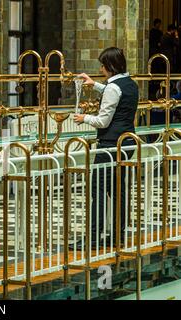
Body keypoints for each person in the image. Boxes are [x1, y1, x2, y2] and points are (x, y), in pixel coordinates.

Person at [73, 47, 139, 249]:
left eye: (102, 65)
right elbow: (114, 93)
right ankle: (118, 235)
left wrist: (84, 118)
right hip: (127, 142)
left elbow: (103, 121)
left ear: (110, 66)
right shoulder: (131, 84)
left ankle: (93, 237)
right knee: (117, 190)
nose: (100, 69)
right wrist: (95, 86)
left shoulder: (113, 88)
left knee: (98, 190)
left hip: (110, 144)